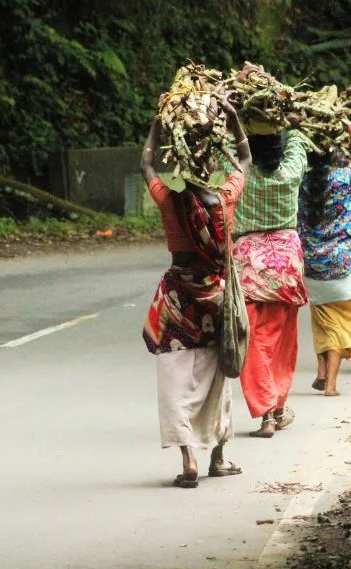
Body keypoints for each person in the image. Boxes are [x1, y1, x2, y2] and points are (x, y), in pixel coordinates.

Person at [140, 107, 252, 488]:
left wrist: (158, 126)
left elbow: (146, 163)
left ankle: (188, 456)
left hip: (178, 298)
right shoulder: (225, 200)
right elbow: (246, 159)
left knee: (174, 374)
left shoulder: (170, 202)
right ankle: (219, 457)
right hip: (215, 297)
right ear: (209, 166)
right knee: (218, 373)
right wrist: (234, 122)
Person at [233, 128, 310, 438]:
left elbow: (227, 145)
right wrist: (289, 122)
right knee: (281, 341)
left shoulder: (240, 175)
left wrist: (235, 117)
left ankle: (267, 412)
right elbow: (300, 142)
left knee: (252, 341)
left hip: (249, 267)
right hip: (285, 268)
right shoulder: (290, 172)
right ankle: (276, 408)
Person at [297, 122, 351, 396]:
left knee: (321, 318)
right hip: (343, 266)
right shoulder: (341, 180)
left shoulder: (300, 183)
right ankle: (332, 385)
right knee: (341, 323)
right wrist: (350, 128)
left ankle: (321, 372)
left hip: (311, 266)